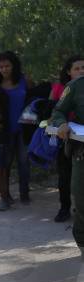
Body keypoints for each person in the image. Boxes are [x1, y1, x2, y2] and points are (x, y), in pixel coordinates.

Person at [0, 51, 30, 204]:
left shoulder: (24, 80)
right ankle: (5, 195)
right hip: (4, 130)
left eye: (7, 66)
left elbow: (34, 98)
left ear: (14, 66)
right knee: (4, 164)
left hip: (24, 128)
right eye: (1, 66)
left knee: (24, 161)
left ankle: (24, 194)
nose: (4, 69)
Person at [52, 75, 84, 259]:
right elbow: (58, 112)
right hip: (82, 152)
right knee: (81, 202)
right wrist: (62, 124)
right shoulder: (76, 86)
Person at [50, 56, 84, 222]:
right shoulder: (72, 87)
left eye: (83, 67)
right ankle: (65, 209)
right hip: (76, 144)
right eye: (77, 68)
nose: (81, 71)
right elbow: (57, 111)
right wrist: (62, 124)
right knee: (70, 181)